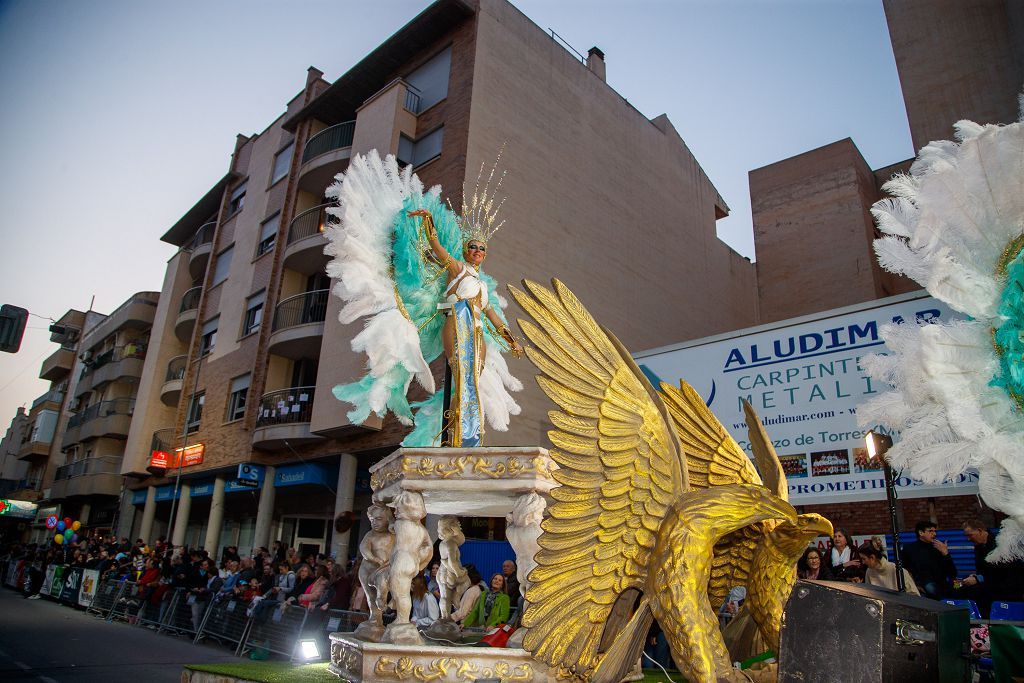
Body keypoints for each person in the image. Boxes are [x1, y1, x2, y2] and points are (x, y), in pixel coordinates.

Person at [957, 520, 1024, 616]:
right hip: (990, 584)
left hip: (1008, 586)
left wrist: (978, 578)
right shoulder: (979, 546)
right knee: (959, 588)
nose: (968, 539)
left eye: (970, 535)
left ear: (980, 531)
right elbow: (983, 568)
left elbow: (1003, 571)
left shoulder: (1000, 544)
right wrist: (976, 576)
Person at [900, 520, 957, 599]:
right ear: (921, 533)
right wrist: (914, 586)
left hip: (942, 584)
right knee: (930, 588)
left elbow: (952, 572)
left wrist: (946, 553)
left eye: (935, 531)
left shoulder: (938, 547)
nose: (934, 534)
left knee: (959, 588)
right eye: (930, 531)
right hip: (922, 585)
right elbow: (905, 570)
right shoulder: (909, 549)